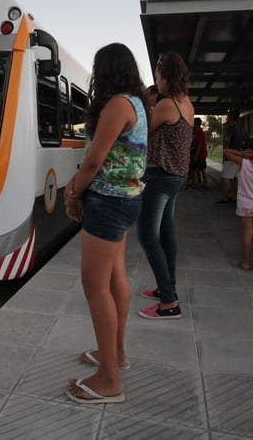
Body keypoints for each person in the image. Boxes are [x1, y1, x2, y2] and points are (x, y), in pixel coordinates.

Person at [63, 43, 147, 404]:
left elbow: (94, 161)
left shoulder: (116, 104)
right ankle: (117, 356)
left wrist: (72, 194)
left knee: (95, 286)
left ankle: (109, 380)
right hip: (126, 199)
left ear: (106, 71)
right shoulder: (138, 104)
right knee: (115, 280)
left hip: (109, 202)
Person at [136, 52, 194, 320]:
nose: (156, 83)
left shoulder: (166, 104)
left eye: (158, 78)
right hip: (176, 178)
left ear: (167, 77)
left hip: (160, 179)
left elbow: (140, 132)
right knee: (166, 234)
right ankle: (165, 288)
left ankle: (169, 303)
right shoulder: (186, 103)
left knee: (148, 235)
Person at [224, 138, 253, 272]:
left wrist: (241, 154)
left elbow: (225, 152)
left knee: (247, 232)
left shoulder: (243, 163)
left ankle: (245, 262)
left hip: (246, 204)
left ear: (248, 151)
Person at [217, 109, 245, 204]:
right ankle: (235, 196)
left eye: (228, 116)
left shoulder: (230, 128)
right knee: (235, 178)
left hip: (230, 156)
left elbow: (227, 141)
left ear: (231, 117)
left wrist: (225, 152)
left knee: (225, 177)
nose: (227, 118)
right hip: (238, 156)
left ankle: (227, 196)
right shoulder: (241, 129)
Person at [186, 117, 209, 189]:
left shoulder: (199, 132)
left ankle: (194, 184)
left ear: (196, 124)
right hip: (202, 154)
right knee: (202, 169)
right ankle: (205, 184)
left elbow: (199, 144)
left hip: (200, 154)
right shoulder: (197, 131)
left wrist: (196, 154)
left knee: (195, 169)